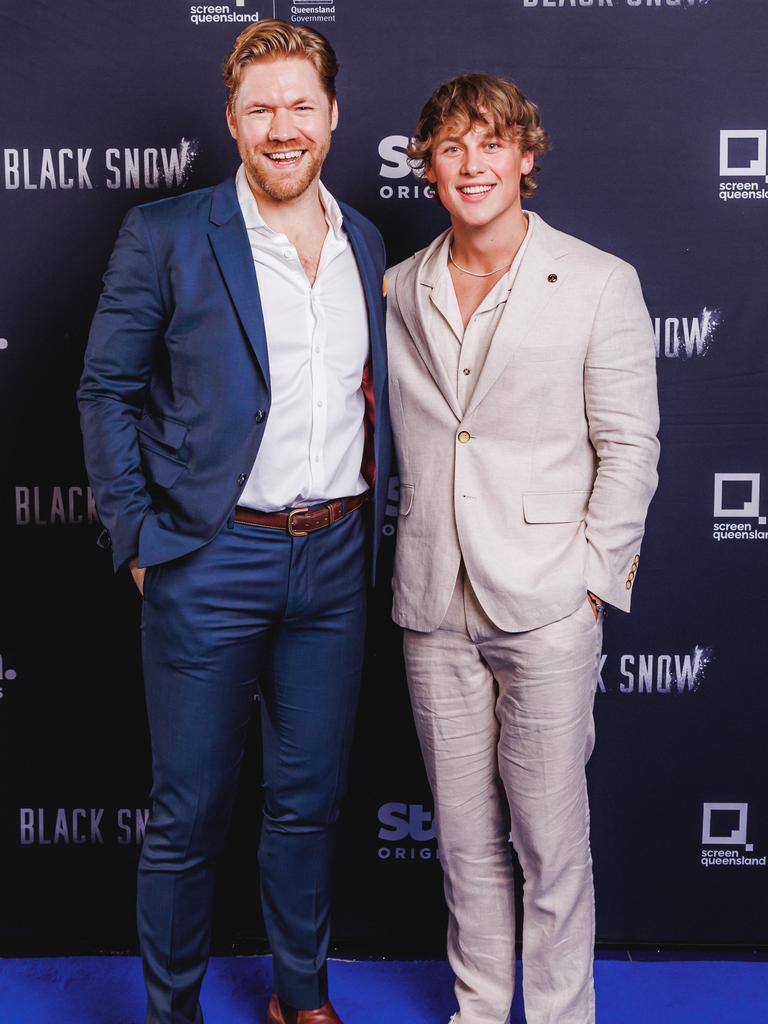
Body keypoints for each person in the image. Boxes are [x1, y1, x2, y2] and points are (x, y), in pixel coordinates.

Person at [78, 20, 390, 1024]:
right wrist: (136, 541)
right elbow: (105, 389)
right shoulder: (168, 232)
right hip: (207, 560)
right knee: (188, 815)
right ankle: (173, 1011)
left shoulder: (367, 241)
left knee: (309, 806)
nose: (282, 127)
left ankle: (301, 999)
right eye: (261, 108)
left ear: (333, 116)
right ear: (232, 121)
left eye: (301, 105)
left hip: (335, 561)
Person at [386, 74, 659, 1024]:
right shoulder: (398, 287)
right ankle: (477, 1008)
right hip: (432, 598)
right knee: (463, 841)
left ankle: (556, 1016)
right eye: (452, 147)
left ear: (525, 158)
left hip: (547, 600)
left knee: (549, 838)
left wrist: (590, 582)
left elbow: (630, 446)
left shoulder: (597, 281)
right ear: (428, 165)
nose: (472, 165)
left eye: (491, 144)